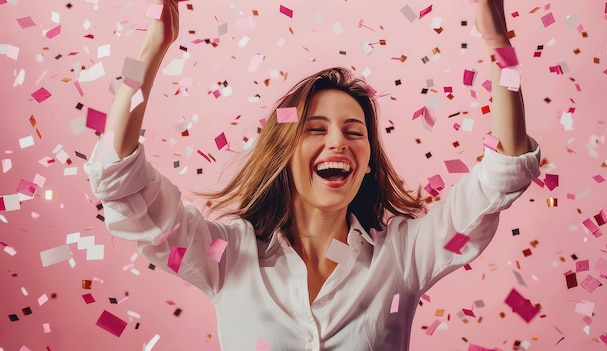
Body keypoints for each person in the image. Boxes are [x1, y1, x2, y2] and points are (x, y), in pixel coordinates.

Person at [84, 0, 541, 350]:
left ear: (366, 160)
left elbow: (504, 171)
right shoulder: (225, 257)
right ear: (284, 151)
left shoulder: (403, 254)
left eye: (354, 131)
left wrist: (498, 44)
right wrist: (151, 48)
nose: (338, 142)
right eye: (315, 129)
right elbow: (118, 175)